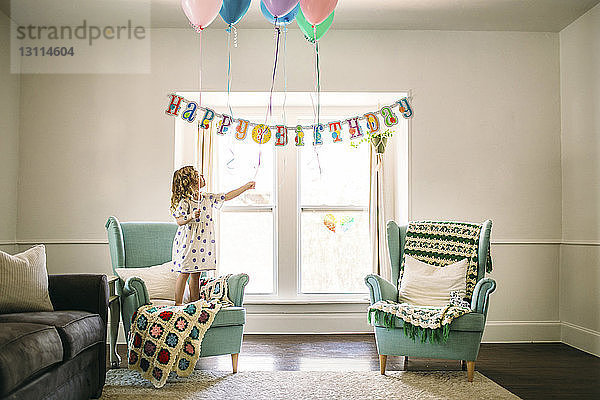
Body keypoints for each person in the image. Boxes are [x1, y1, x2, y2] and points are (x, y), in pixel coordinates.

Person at [170, 165, 255, 305]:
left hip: (201, 243)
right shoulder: (185, 201)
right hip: (188, 242)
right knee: (185, 272)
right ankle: (178, 303)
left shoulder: (207, 198)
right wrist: (190, 216)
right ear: (190, 182)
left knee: (196, 273)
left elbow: (226, 196)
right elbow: (179, 220)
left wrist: (245, 187)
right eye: (198, 175)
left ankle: (195, 302)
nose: (202, 176)